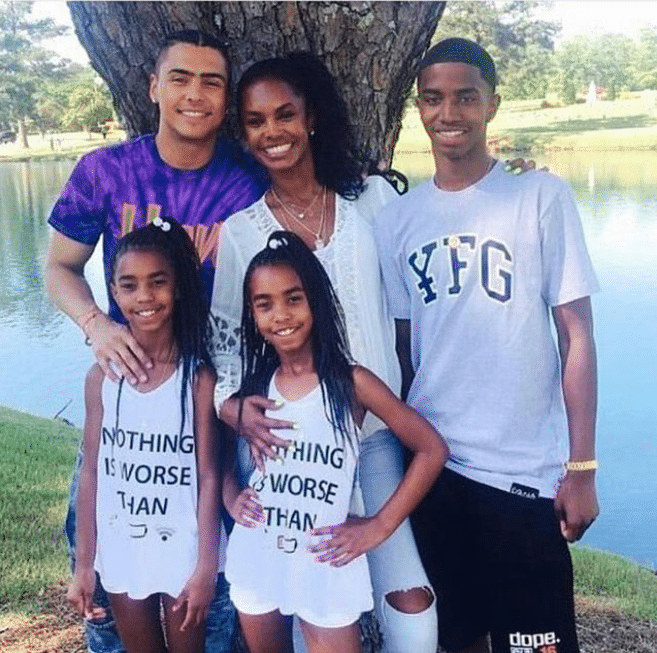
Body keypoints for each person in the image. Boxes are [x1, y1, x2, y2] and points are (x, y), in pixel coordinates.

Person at [374, 38, 600, 653]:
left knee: (536, 645)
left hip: (522, 475)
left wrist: (581, 467)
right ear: (418, 107)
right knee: (457, 640)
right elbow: (404, 352)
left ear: (491, 105)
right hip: (437, 469)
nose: (449, 113)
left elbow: (576, 334)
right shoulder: (397, 220)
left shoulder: (539, 197)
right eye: (433, 99)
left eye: (465, 97)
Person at [46, 30, 267, 653]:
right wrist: (98, 325)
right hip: (131, 390)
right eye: (180, 78)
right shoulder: (105, 171)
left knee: (218, 557)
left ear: (226, 98)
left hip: (213, 392)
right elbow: (60, 267)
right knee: (100, 537)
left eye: (211, 82)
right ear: (153, 87)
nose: (195, 94)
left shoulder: (251, 183)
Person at [210, 53, 439, 652]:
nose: (273, 131)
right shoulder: (241, 231)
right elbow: (224, 344)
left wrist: (501, 189)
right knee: (290, 596)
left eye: (285, 114)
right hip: (286, 441)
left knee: (414, 613)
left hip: (375, 439)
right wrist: (232, 408)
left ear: (311, 117)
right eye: (256, 121)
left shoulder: (372, 202)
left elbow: (420, 282)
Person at [221, 231, 447, 653]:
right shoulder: (254, 388)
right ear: (252, 315)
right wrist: (231, 495)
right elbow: (223, 459)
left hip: (325, 562)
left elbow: (432, 449)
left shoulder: (352, 382)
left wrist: (379, 526)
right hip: (259, 553)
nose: (281, 314)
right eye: (264, 304)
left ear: (317, 301)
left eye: (293, 298)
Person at [67, 218, 222, 653]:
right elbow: (91, 474)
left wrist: (206, 565)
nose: (145, 297)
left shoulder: (198, 379)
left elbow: (209, 476)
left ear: (178, 287)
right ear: (114, 293)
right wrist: (84, 565)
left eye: (158, 282)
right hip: (122, 549)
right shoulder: (101, 378)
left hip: (183, 549)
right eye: (129, 285)